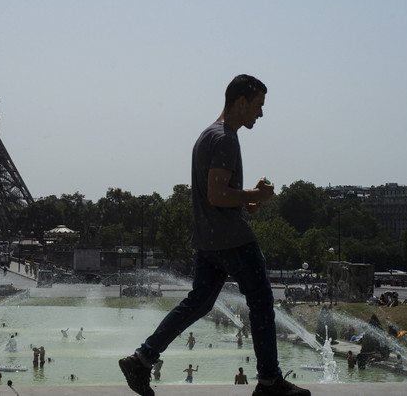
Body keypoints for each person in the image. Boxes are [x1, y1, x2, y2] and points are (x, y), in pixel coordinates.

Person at [119, 75, 309, 396]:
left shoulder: (207, 136)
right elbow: (217, 195)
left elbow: (219, 195)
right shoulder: (226, 139)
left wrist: (248, 199)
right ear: (241, 101)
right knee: (261, 302)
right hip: (232, 239)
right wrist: (255, 196)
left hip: (208, 240)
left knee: (198, 304)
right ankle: (268, 382)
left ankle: (142, 359)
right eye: (258, 106)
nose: (260, 114)